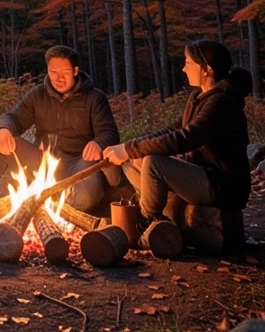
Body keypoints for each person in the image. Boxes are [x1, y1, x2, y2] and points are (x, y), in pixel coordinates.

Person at [0, 45, 120, 212]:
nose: (59, 78)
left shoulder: (95, 98)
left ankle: (53, 206)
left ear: (75, 71)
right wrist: (4, 129)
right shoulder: (38, 94)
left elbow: (110, 133)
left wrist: (99, 143)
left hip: (79, 161)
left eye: (64, 72)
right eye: (53, 72)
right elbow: (14, 118)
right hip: (43, 159)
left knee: (85, 200)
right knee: (10, 140)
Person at [103, 39, 251, 223]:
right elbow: (170, 130)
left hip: (223, 185)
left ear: (207, 70)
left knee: (154, 162)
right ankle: (155, 210)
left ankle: (147, 222)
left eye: (188, 63)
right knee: (134, 158)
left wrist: (129, 148)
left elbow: (183, 139)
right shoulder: (199, 98)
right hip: (204, 175)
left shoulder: (221, 103)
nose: (183, 68)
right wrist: (128, 148)